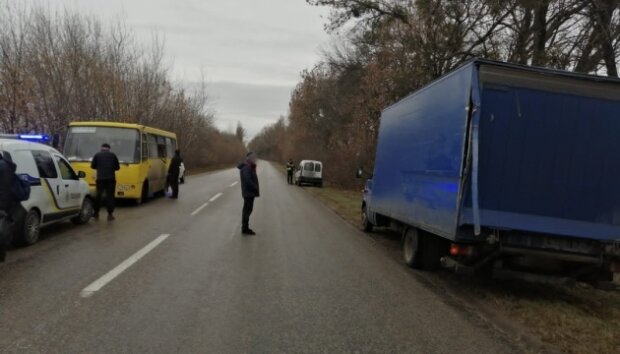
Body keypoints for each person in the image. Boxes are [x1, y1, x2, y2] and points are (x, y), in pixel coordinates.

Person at [0, 154, 30, 262]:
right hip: (6, 206)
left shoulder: (3, 168)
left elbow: (5, 190)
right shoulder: (6, 167)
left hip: (3, 206)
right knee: (3, 233)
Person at [91, 143, 120, 221]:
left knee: (98, 196)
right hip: (111, 179)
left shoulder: (97, 155)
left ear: (101, 148)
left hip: (100, 179)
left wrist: (100, 167)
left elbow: (92, 166)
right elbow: (117, 167)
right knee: (110, 196)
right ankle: (110, 215)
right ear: (109, 148)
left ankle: (96, 213)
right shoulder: (113, 155)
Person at [237, 152, 260, 235]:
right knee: (247, 211)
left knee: (247, 210)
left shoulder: (249, 167)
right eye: (253, 158)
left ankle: (245, 227)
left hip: (248, 193)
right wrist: (255, 187)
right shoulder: (247, 168)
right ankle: (245, 228)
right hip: (248, 193)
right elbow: (248, 181)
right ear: (249, 159)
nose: (255, 159)